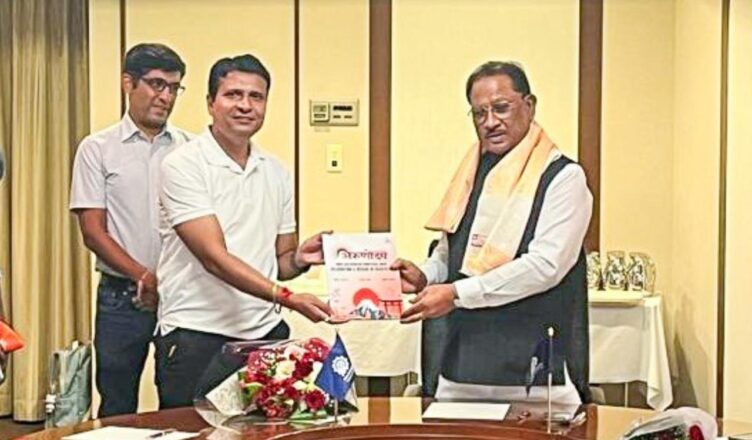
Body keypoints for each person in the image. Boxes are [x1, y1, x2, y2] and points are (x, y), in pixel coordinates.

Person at [394, 61, 593, 403]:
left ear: (529, 105)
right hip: (460, 368)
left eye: (501, 108)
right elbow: (450, 249)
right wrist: (425, 276)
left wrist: (456, 293)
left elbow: (545, 266)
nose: (490, 122)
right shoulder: (472, 172)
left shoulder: (563, 178)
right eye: (479, 113)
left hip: (534, 375)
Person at [155, 54, 332, 409]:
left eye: (256, 97)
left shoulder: (276, 171)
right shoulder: (183, 165)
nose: (245, 106)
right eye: (233, 95)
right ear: (211, 103)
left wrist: (300, 258)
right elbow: (214, 258)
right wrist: (287, 298)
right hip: (197, 334)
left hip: (264, 333)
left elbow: (280, 263)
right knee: (193, 430)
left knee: (267, 429)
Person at [69, 43, 191, 416]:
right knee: (118, 404)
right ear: (128, 83)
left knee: (181, 404)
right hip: (122, 297)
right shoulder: (97, 149)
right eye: (156, 84)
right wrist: (142, 275)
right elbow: (93, 232)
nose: (165, 96)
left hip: (182, 296)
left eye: (174, 87)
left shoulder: (191, 150)